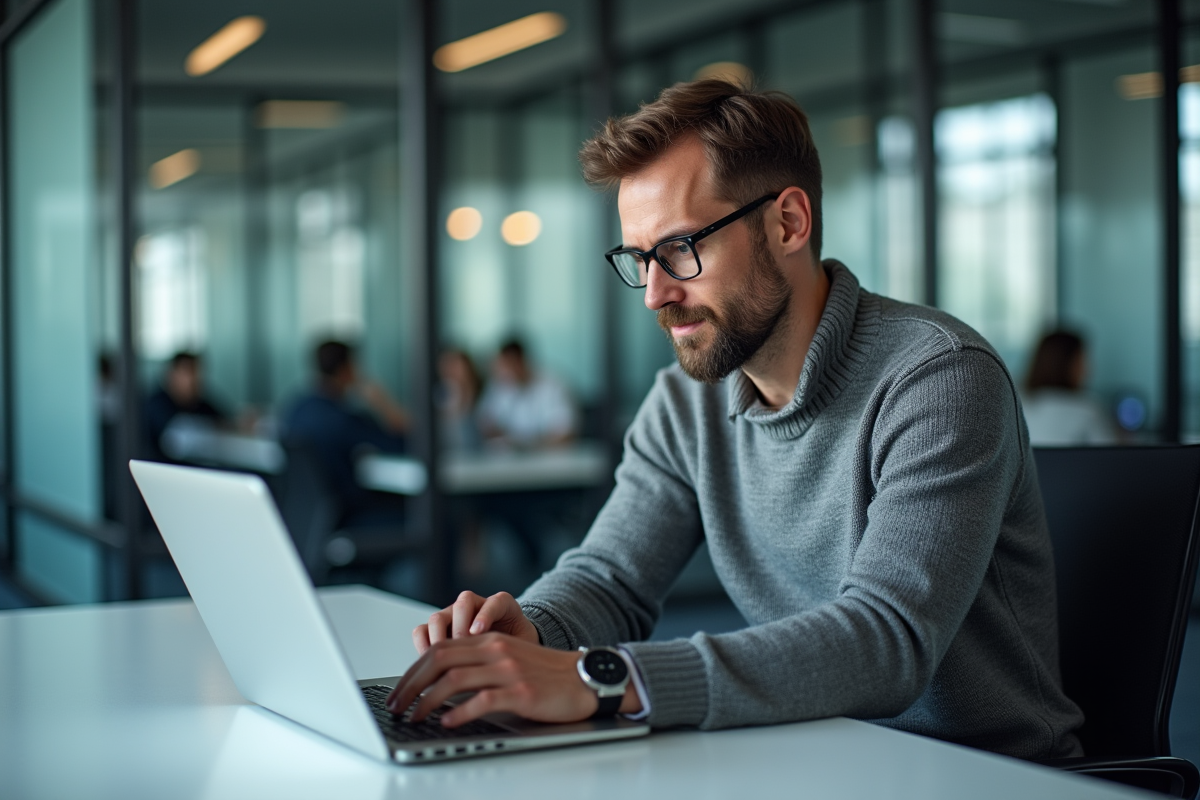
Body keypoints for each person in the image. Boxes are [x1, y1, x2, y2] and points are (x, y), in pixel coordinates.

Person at [385, 79, 1084, 761]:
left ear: (788, 223)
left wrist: (605, 681)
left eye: (680, 249)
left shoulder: (939, 377)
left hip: (984, 773)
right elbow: (611, 578)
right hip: (812, 755)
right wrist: (534, 632)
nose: (655, 293)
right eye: (640, 259)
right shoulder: (686, 401)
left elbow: (887, 640)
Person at [282, 340, 408, 524]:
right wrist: (383, 403)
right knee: (430, 515)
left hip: (311, 518)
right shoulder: (343, 419)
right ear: (346, 370)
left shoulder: (296, 408)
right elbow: (402, 444)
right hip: (348, 514)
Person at [476, 339, 578, 448]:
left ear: (523, 361)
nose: (508, 372)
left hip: (549, 454)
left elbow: (566, 432)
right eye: (505, 367)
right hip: (511, 456)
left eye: (513, 364)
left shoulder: (553, 385)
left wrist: (531, 446)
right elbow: (485, 423)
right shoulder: (499, 387)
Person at [1022, 330, 1118, 446]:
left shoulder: (1020, 405)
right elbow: (1110, 452)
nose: (1087, 368)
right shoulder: (1088, 409)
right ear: (1069, 364)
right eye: (1082, 360)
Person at [144, 351, 228, 462]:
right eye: (188, 372)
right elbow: (176, 438)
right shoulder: (157, 404)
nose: (193, 379)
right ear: (172, 375)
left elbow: (224, 420)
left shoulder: (199, 403)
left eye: (197, 373)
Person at [437, 348, 484, 453]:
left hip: (476, 450)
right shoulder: (444, 393)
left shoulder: (481, 392)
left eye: (458, 366)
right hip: (451, 449)